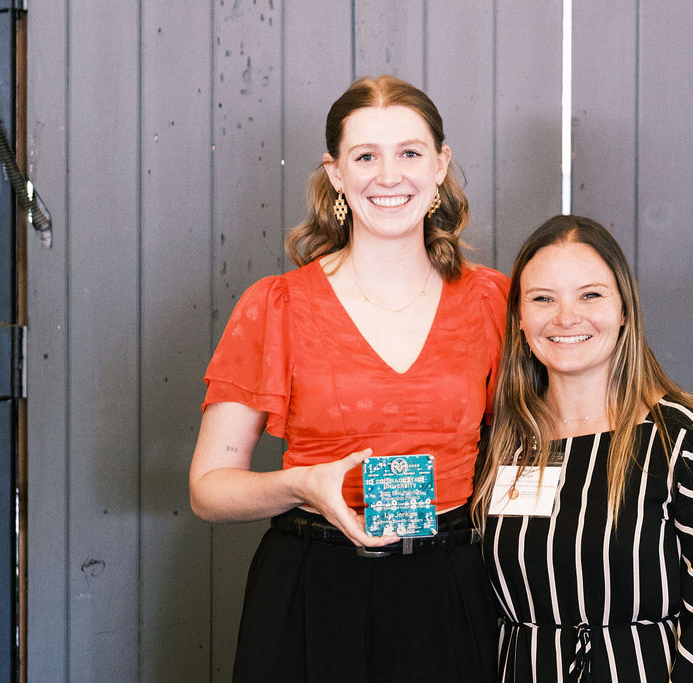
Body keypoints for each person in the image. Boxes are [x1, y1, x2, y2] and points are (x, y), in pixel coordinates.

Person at [189, 75, 507, 682]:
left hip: (450, 589)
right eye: (366, 156)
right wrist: (304, 483)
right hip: (313, 589)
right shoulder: (277, 305)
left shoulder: (492, 300)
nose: (389, 177)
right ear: (336, 173)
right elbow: (208, 488)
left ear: (440, 165)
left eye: (410, 153)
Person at [472, 215, 693, 681]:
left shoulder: (683, 438)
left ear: (624, 308)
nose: (566, 317)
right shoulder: (507, 442)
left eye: (590, 295)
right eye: (543, 299)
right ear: (520, 320)